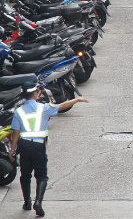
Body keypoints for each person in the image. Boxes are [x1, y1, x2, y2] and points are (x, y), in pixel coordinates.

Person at [8, 82, 89, 216]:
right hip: (39, 145)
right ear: (35, 94)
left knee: (25, 174)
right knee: (42, 175)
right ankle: (38, 203)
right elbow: (62, 106)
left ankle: (27, 202)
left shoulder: (19, 111)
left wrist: (12, 150)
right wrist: (77, 99)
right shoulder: (44, 108)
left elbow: (15, 132)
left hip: (24, 146)